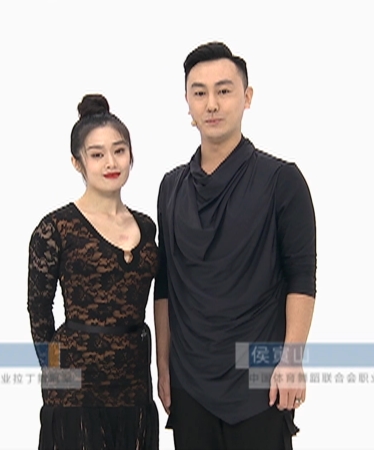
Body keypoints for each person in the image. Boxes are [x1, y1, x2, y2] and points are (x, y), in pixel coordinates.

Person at [153, 42, 318, 450]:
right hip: (190, 380)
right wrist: (163, 367)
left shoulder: (282, 180)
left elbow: (301, 276)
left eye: (224, 91)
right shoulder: (171, 187)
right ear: (187, 103)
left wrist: (292, 359)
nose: (212, 104)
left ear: (247, 97)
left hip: (261, 377)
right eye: (199, 92)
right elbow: (166, 284)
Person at [28, 93, 160, 450]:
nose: (111, 162)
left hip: (134, 383)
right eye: (97, 154)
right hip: (75, 390)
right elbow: (39, 310)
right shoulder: (55, 228)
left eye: (119, 151)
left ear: (131, 154)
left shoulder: (147, 226)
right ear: (77, 162)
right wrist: (54, 374)